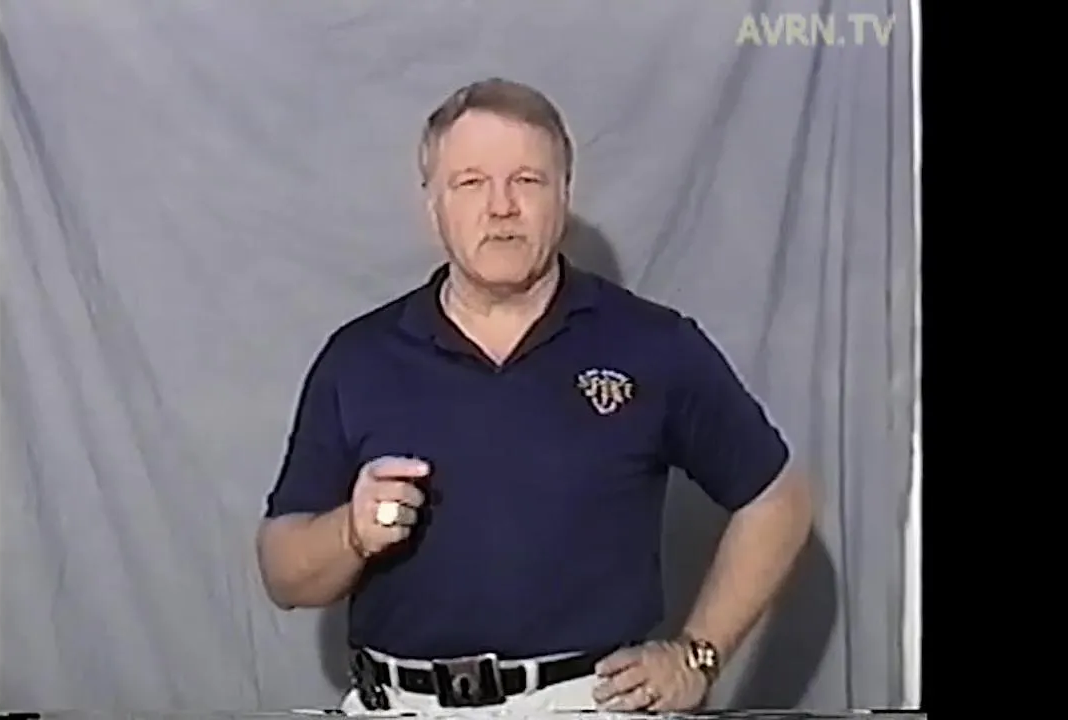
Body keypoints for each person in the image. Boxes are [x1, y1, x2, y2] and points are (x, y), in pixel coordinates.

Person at [256, 77, 814, 714]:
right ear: (432, 204)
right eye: (470, 182)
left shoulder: (653, 346)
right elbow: (283, 572)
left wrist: (697, 655)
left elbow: (779, 500)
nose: (501, 206)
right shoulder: (359, 359)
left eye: (527, 180)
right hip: (402, 705)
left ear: (563, 195)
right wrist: (351, 533)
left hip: (588, 704)